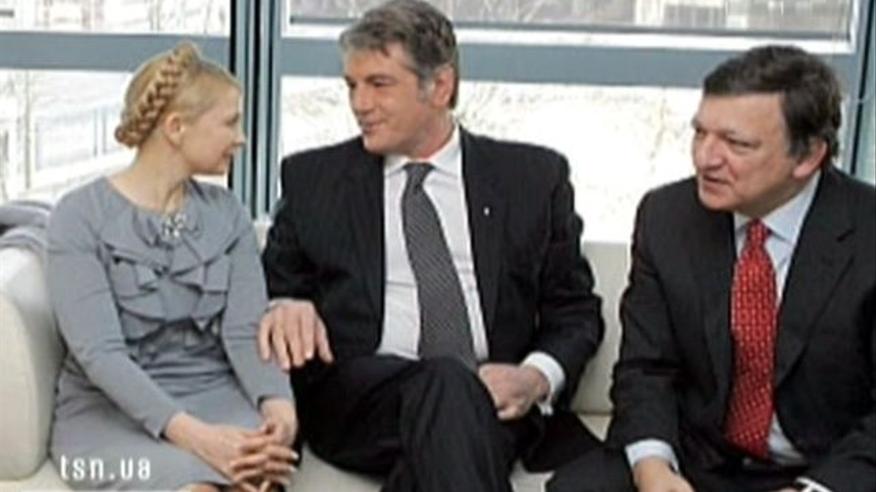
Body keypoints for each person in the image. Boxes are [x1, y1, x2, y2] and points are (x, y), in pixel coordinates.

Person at [259, 1, 604, 490]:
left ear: (440, 86)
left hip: (493, 403)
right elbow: (271, 286)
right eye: (352, 86)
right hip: (363, 402)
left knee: (444, 433)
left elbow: (574, 311)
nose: (360, 104)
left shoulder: (531, 178)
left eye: (379, 84)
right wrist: (285, 303)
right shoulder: (314, 179)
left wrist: (533, 378)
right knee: (446, 383)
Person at [548, 45, 875, 492]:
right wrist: (653, 468)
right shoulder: (668, 216)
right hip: (699, 457)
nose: (705, 158)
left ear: (807, 157)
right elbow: (646, 369)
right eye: (700, 133)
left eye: (737, 144)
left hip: (827, 467)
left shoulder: (867, 232)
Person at [47, 41, 298, 491]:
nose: (241, 138)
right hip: (108, 414)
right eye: (230, 122)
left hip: (215, 394)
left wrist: (279, 408)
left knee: (258, 477)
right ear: (177, 127)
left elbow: (244, 333)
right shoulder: (79, 215)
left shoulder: (228, 213)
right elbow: (101, 356)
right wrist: (200, 440)